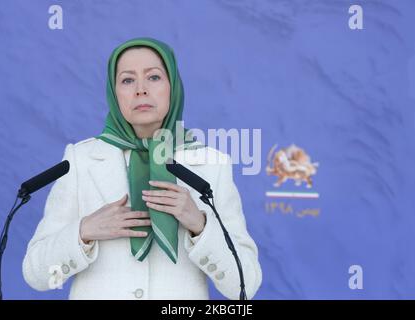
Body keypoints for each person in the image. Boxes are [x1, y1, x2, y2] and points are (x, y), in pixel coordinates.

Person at [22, 37, 262, 300]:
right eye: (127, 80)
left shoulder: (211, 165)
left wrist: (201, 226)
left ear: (173, 87)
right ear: (114, 94)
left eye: (154, 77)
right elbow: (36, 274)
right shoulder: (81, 160)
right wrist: (83, 231)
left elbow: (245, 285)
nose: (140, 90)